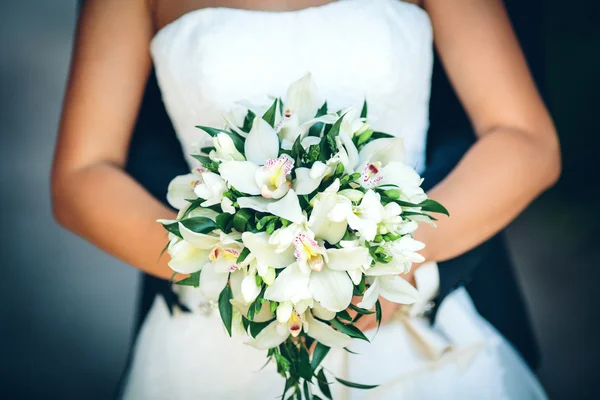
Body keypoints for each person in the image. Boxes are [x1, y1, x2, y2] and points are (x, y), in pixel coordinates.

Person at [52, 0, 560, 398]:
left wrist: (390, 261)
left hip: (410, 313)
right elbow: (82, 174)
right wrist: (246, 275)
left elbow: (524, 139)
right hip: (221, 328)